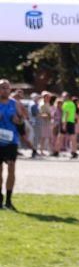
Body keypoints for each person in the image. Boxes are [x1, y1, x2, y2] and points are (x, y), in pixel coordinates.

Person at [0, 80, 26, 209]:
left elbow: (22, 123)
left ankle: (9, 201)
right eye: (2, 88)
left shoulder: (15, 104)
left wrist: (18, 121)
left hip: (11, 141)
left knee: (11, 168)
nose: (5, 90)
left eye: (7, 88)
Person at [59, 92, 78, 159]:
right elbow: (74, 114)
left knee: (60, 137)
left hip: (66, 122)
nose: (63, 98)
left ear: (67, 97)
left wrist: (64, 124)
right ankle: (74, 152)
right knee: (73, 138)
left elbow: (66, 114)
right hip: (71, 121)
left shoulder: (66, 104)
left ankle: (56, 151)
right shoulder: (72, 103)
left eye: (64, 96)